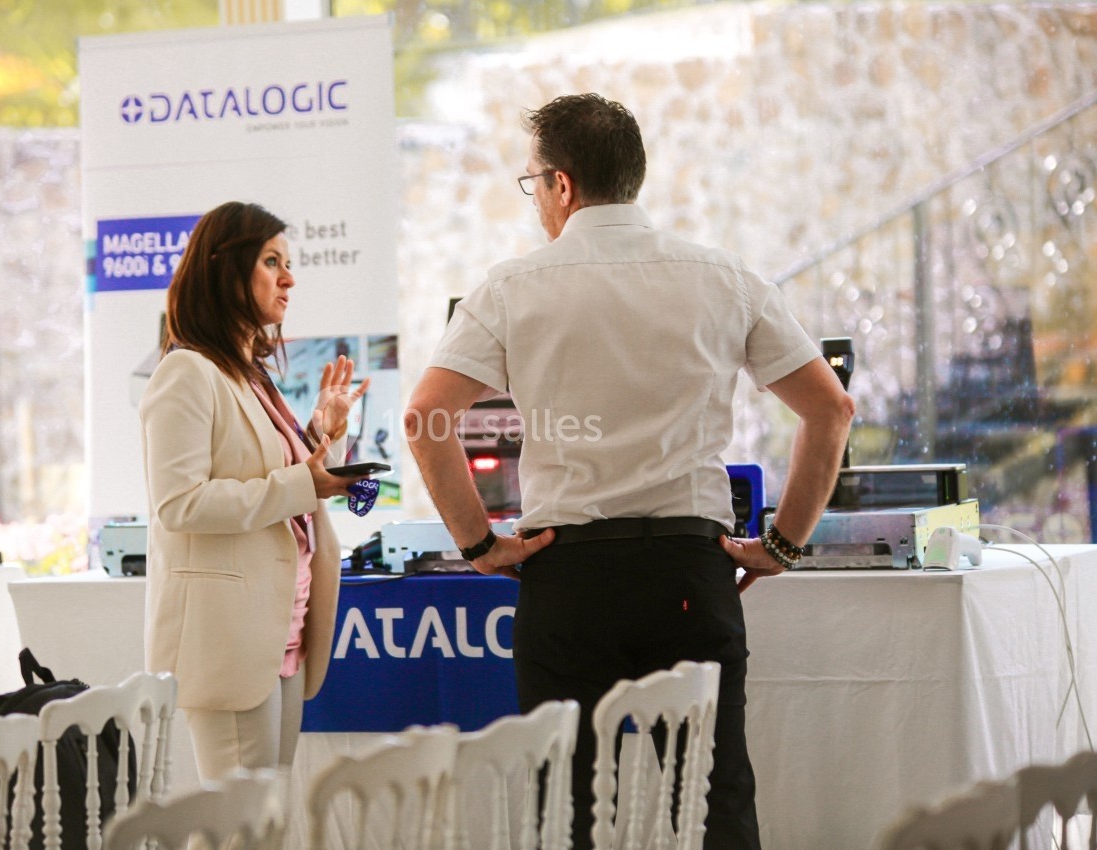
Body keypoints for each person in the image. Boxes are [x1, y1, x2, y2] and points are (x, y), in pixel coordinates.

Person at [405, 93, 854, 850]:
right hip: (689, 569)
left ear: (563, 186)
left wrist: (481, 546)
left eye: (532, 185)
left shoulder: (511, 286)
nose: (535, 202)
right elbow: (830, 410)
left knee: (569, 811)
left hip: (567, 580)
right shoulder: (723, 277)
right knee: (715, 804)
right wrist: (781, 545)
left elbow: (424, 420)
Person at [140, 201, 370, 782]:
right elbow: (180, 503)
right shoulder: (185, 372)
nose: (289, 278)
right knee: (236, 832)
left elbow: (287, 479)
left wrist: (324, 432)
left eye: (288, 263)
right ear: (225, 269)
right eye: (272, 262)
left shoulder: (246, 373)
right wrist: (301, 481)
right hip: (230, 638)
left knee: (262, 824)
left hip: (280, 634)